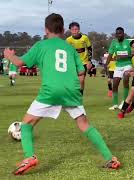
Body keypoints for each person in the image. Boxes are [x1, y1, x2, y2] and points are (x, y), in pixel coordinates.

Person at [4, 13, 120, 176]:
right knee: (84, 124)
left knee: (27, 124)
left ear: (46, 29)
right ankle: (111, 158)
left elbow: (19, 63)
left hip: (50, 91)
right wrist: (78, 91)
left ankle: (29, 157)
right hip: (71, 90)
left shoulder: (41, 45)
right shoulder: (70, 48)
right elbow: (81, 72)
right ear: (64, 29)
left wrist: (9, 56)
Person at [106, 27, 132, 110]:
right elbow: (110, 55)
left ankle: (125, 102)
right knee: (115, 84)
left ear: (123, 33)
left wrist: (123, 56)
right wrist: (106, 65)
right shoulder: (113, 43)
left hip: (127, 64)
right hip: (118, 66)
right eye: (117, 33)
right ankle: (115, 104)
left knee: (125, 79)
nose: (118, 35)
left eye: (120, 33)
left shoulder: (128, 43)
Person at [66, 22, 92, 95]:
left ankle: (80, 96)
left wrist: (89, 61)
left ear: (79, 30)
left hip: (83, 62)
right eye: (73, 29)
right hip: (73, 63)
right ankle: (73, 96)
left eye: (76, 29)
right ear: (70, 30)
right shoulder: (68, 40)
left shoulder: (85, 38)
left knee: (81, 80)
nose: (75, 31)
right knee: (73, 81)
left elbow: (90, 49)